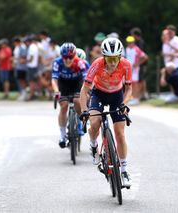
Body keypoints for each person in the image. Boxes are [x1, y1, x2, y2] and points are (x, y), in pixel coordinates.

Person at [79, 38, 132, 187]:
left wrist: (124, 104)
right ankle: (94, 145)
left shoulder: (126, 65)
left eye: (116, 58)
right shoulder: (97, 64)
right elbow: (85, 89)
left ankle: (124, 171)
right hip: (99, 94)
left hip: (117, 95)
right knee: (95, 122)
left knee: (120, 134)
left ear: (120, 56)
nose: (113, 62)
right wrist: (84, 110)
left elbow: (129, 89)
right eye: (109, 59)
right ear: (104, 57)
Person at [51, 42, 87, 148]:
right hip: (63, 85)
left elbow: (85, 80)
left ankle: (81, 121)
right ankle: (62, 135)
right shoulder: (57, 62)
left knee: (77, 101)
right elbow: (54, 80)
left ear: (74, 56)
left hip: (77, 83)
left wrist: (85, 92)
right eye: (65, 57)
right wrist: (56, 91)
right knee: (64, 106)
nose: (67, 60)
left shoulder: (80, 63)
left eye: (70, 57)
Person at [125, 35, 148, 105]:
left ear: (133, 42)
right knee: (129, 83)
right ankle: (132, 97)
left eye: (131, 42)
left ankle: (136, 98)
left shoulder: (136, 49)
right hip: (128, 69)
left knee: (135, 83)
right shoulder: (127, 49)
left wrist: (137, 63)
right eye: (128, 42)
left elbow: (145, 57)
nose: (129, 43)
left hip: (135, 69)